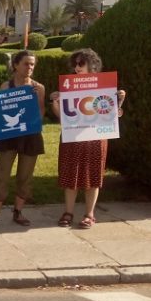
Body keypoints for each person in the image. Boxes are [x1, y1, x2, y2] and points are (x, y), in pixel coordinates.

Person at [49, 48, 126, 229]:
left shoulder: (104, 86)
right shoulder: (68, 86)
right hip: (72, 136)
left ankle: (89, 214)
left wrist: (119, 101)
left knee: (93, 175)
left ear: (92, 65)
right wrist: (55, 103)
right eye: (75, 64)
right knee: (70, 174)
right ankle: (68, 212)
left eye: (81, 63)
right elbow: (62, 117)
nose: (77, 67)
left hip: (95, 138)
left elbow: (112, 114)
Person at [0, 50, 45, 227]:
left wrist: (37, 99)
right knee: (1, 175)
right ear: (16, 65)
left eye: (32, 64)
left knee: (25, 176)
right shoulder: (6, 86)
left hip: (30, 136)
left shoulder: (39, 87)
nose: (29, 67)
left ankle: (18, 212)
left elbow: (41, 115)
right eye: (26, 64)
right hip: (9, 136)